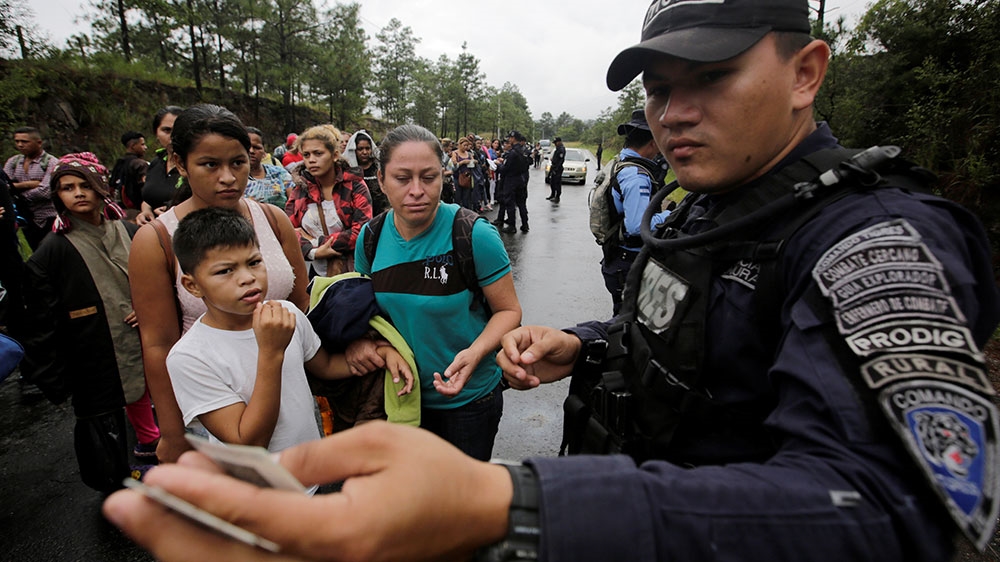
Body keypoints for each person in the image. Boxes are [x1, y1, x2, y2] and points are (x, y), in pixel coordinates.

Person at [103, 2, 1000, 560]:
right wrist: (591, 343)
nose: (673, 110)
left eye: (714, 78)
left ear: (807, 72)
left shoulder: (878, 241)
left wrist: (517, 504)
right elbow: (714, 335)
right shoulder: (712, 210)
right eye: (657, 86)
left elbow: (902, 509)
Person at [129, 104, 309, 464]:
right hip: (216, 407)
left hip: (288, 394)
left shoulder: (272, 220)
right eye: (210, 164)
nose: (227, 177)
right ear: (181, 163)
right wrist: (172, 431)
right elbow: (158, 343)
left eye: (238, 163)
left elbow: (301, 304)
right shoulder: (158, 240)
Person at [166, 207, 412, 454]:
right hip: (257, 488)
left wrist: (379, 353)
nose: (247, 278)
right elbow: (249, 442)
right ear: (193, 285)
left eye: (254, 262)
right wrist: (271, 352)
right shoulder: (190, 357)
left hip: (313, 473)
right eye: (225, 271)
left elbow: (325, 366)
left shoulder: (286, 313)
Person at [347, 124, 522, 461]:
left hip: (468, 402)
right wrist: (369, 345)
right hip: (400, 400)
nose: (417, 190)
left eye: (429, 177)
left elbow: (508, 311)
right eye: (402, 178)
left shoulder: (473, 235)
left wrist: (475, 353)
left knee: (462, 502)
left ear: (444, 176)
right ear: (381, 180)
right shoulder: (370, 238)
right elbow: (367, 314)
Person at [22, 153, 160, 491]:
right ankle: (112, 481)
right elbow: (40, 316)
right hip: (90, 346)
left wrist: (147, 308)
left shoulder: (129, 230)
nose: (78, 193)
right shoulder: (52, 250)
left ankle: (153, 448)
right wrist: (52, 373)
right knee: (101, 414)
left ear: (101, 188)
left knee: (149, 394)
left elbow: (159, 280)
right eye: (67, 187)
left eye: (86, 185)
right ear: (57, 196)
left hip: (144, 336)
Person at [599, 108, 669, 315]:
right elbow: (637, 226)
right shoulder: (636, 175)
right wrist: (670, 217)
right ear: (653, 142)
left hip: (617, 257)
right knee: (628, 324)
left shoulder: (620, 162)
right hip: (628, 261)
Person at [285, 124, 373, 278]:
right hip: (309, 273)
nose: (311, 160)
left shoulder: (354, 185)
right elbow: (287, 231)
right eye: (306, 155)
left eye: (318, 153)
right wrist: (313, 253)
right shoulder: (300, 190)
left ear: (335, 155)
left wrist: (314, 241)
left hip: (350, 272)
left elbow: (361, 232)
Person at [3, 126, 58, 249]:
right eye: (17, 141)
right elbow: (4, 187)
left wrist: (18, 192)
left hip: (49, 216)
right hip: (26, 216)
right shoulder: (14, 162)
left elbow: (46, 191)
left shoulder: (51, 162)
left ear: (38, 143)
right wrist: (29, 184)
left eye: (25, 141)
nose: (20, 145)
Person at [139, 106, 184, 226]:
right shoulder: (156, 163)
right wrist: (146, 211)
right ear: (156, 132)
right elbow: (149, 197)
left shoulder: (196, 165)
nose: (173, 136)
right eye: (167, 130)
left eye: (179, 130)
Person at [244, 127, 293, 209]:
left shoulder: (279, 173)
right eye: (247, 147)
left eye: (257, 147)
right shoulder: (233, 178)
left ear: (263, 151)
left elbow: (294, 201)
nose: (251, 151)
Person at [343, 130, 387, 215]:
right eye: (360, 149)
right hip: (359, 213)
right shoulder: (350, 170)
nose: (364, 152)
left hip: (380, 211)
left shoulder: (377, 166)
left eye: (367, 148)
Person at [495, 130, 530, 233]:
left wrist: (498, 165)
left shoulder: (513, 152)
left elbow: (506, 169)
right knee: (521, 203)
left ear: (513, 138)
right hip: (522, 178)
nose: (509, 139)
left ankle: (512, 225)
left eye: (510, 138)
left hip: (511, 179)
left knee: (510, 202)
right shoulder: (524, 150)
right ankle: (525, 224)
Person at [109, 131, 149, 214]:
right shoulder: (140, 164)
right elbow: (147, 189)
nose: (145, 147)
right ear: (133, 146)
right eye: (142, 144)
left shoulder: (119, 162)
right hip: (138, 209)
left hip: (119, 209)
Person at [449, 136, 476, 211]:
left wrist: (473, 161)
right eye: (464, 145)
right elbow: (454, 165)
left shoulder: (469, 153)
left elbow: (474, 161)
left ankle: (466, 213)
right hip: (458, 177)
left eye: (467, 145)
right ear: (460, 145)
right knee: (457, 197)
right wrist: (463, 162)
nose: (466, 147)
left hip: (467, 176)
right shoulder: (455, 153)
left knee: (466, 198)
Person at [546, 136, 565, 203]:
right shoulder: (557, 148)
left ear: (559, 142)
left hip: (558, 168)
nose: (555, 144)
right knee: (552, 182)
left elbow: (561, 160)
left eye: (556, 142)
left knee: (557, 183)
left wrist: (556, 169)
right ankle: (553, 194)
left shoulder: (561, 149)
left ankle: (557, 197)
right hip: (553, 167)